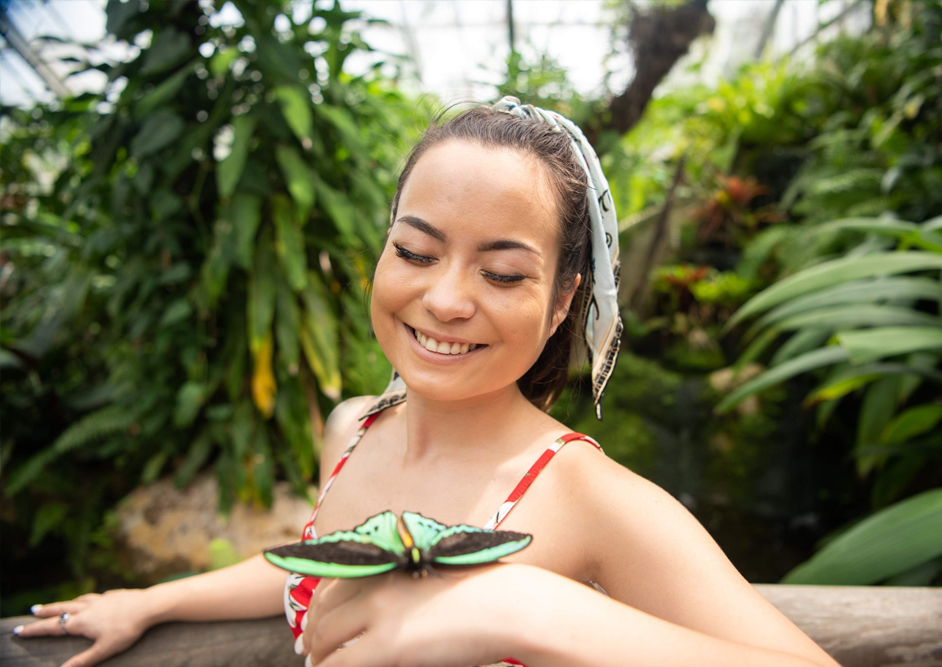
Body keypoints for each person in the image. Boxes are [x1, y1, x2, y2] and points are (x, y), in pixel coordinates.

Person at [12, 97, 842, 667]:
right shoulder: (355, 426)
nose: (444, 298)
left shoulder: (586, 495)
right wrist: (153, 602)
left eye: (503, 272)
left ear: (562, 304)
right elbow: (319, 565)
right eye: (414, 252)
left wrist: (525, 607)